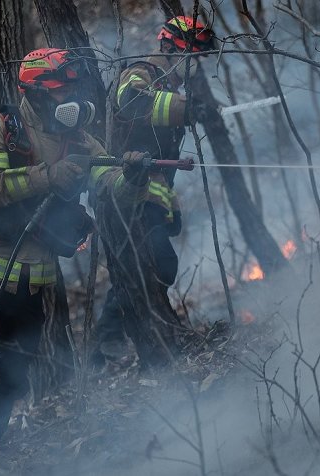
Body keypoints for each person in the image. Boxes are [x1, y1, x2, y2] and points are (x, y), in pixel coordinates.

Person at [0, 47, 148, 458]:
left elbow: (108, 181)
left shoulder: (80, 139)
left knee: (12, 374)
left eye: (73, 88)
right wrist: (47, 176)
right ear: (39, 92)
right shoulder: (1, 129)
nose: (72, 98)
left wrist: (132, 177)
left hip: (28, 282)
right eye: (63, 90)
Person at [91, 16, 216, 365]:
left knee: (153, 263)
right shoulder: (143, 71)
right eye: (192, 56)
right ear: (171, 48)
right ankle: (108, 339)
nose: (195, 67)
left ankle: (107, 345)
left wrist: (171, 206)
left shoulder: (168, 83)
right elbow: (130, 101)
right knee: (153, 262)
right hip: (124, 189)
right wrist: (184, 109)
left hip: (147, 194)